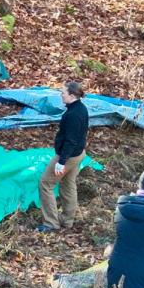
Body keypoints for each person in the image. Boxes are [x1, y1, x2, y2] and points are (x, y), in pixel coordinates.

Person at [37, 81, 89, 232]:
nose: (61, 95)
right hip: (79, 153)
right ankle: (67, 220)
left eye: (63, 93)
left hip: (69, 156)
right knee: (68, 184)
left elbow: (71, 140)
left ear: (72, 95)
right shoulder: (80, 108)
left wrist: (61, 162)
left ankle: (50, 223)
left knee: (45, 184)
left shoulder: (73, 114)